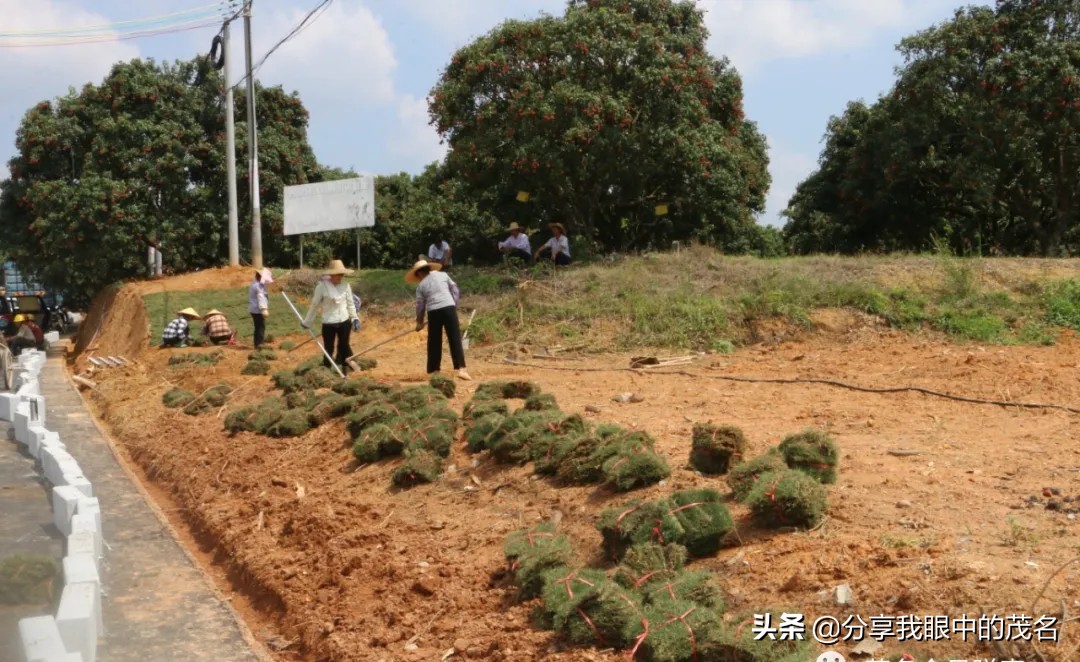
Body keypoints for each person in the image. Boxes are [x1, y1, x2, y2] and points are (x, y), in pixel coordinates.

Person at [406, 259, 471, 380]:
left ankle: (434, 371)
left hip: (433, 312)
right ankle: (461, 369)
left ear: (419, 273)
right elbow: (455, 290)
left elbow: (420, 307)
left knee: (434, 341)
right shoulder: (443, 275)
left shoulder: (421, 286)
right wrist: (453, 305)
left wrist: (419, 322)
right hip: (449, 308)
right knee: (455, 338)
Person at [302, 260, 360, 372]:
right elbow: (314, 305)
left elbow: (350, 304)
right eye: (338, 275)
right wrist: (307, 322)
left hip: (344, 321)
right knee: (329, 347)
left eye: (341, 275)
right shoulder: (321, 287)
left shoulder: (346, 286)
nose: (340, 277)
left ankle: (345, 367)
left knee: (344, 345)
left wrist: (354, 318)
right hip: (329, 322)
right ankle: (326, 369)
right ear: (331, 275)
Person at [249, 270, 269, 349]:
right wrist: (264, 309)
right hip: (257, 310)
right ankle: (260, 344)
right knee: (261, 327)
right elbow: (261, 297)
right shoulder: (258, 286)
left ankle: (257, 344)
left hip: (254, 309)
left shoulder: (255, 284)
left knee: (258, 327)